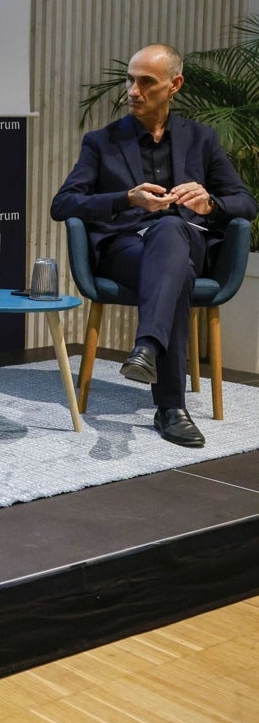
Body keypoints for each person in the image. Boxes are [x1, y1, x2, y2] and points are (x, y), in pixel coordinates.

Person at [51, 43, 257, 448]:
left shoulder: (201, 138)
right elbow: (64, 204)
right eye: (130, 80)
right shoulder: (102, 141)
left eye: (146, 82)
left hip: (186, 243)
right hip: (124, 249)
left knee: (170, 231)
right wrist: (126, 198)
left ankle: (146, 347)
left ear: (174, 85)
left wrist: (209, 203)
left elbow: (245, 202)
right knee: (172, 265)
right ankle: (170, 407)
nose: (132, 91)